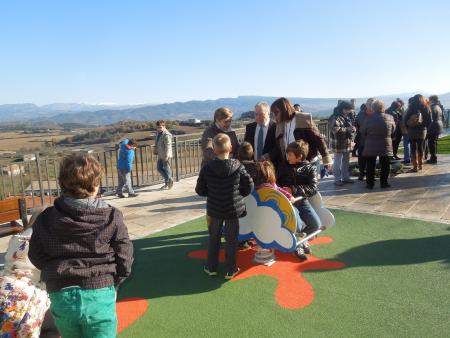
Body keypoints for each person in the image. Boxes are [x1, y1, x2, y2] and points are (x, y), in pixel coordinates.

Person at [29, 153, 134, 338]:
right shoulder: (110, 216)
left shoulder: (45, 218)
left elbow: (36, 255)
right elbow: (124, 254)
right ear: (96, 184)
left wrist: (54, 272)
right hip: (100, 291)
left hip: (61, 294)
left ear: (61, 183)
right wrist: (115, 279)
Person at [195, 133, 253, 279]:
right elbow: (249, 185)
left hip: (215, 209)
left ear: (214, 150)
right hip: (232, 209)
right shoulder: (238, 166)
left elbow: (200, 190)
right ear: (231, 148)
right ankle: (231, 269)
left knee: (214, 237)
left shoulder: (207, 168)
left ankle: (211, 267)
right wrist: (239, 195)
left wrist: (212, 193)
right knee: (232, 240)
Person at [0, 206, 59, 338]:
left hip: (4, 288)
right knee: (55, 320)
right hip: (30, 295)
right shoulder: (50, 242)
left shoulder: (17, 238)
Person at [277, 140, 321, 261]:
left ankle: (301, 241)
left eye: (290, 155)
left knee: (316, 225)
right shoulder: (283, 166)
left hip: (302, 201)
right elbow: (276, 184)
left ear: (299, 156)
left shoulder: (310, 168)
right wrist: (284, 192)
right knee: (297, 224)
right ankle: (298, 245)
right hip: (288, 202)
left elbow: (313, 188)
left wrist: (293, 189)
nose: (287, 157)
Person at [269, 97, 332, 171]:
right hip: (289, 163)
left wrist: (326, 158)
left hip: (307, 162)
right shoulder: (280, 125)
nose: (274, 116)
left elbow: (318, 138)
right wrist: (266, 156)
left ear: (284, 110)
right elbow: (279, 147)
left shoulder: (303, 118)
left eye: (276, 112)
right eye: (273, 113)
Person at [360, 100, 395, 189]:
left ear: (373, 108)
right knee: (385, 164)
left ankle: (369, 184)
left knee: (370, 165)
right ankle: (384, 183)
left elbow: (362, 131)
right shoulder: (390, 117)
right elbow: (393, 130)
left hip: (371, 143)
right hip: (385, 143)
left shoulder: (368, 118)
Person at [329, 100, 356, 186]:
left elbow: (348, 127)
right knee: (338, 161)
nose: (349, 111)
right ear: (343, 109)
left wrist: (353, 129)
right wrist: (348, 129)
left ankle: (345, 177)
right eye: (348, 109)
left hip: (346, 142)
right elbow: (335, 130)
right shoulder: (335, 117)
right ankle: (337, 179)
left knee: (346, 161)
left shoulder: (347, 116)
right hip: (338, 143)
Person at [405, 94, 432, 172]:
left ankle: (414, 166)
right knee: (421, 147)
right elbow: (430, 120)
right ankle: (420, 165)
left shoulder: (411, 107)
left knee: (413, 148)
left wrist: (408, 128)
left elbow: (406, 120)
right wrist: (425, 128)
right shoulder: (426, 107)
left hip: (411, 130)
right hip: (422, 130)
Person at [354, 99, 374, 180]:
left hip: (373, 140)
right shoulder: (361, 114)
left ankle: (370, 175)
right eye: (369, 104)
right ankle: (362, 173)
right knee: (361, 158)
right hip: (362, 139)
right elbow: (356, 124)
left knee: (371, 159)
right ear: (366, 104)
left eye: (372, 104)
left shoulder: (377, 114)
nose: (370, 106)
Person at [154, 120, 174, 189]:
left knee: (166, 168)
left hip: (165, 155)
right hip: (160, 154)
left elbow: (168, 145)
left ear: (164, 126)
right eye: (157, 127)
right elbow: (157, 143)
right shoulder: (158, 133)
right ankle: (169, 180)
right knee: (159, 168)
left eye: (160, 127)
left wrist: (167, 155)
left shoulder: (166, 134)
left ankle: (168, 182)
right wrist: (155, 150)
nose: (158, 128)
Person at [426, 95, 444, 164]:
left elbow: (431, 119)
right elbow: (442, 117)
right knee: (434, 143)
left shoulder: (431, 107)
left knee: (431, 143)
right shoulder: (438, 107)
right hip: (439, 126)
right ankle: (433, 157)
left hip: (433, 127)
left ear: (431, 100)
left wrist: (428, 128)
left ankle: (433, 158)